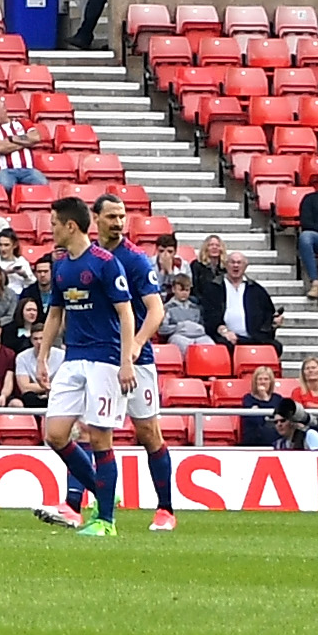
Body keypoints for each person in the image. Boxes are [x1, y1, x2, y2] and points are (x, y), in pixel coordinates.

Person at [38, 193, 129, 537]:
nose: (51, 231)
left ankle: (105, 521)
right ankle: (103, 491)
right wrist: (45, 356)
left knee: (100, 437)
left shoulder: (105, 263)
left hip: (105, 359)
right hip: (74, 357)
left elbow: (125, 312)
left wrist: (125, 362)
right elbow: (55, 314)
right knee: (56, 434)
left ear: (70, 226)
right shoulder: (62, 266)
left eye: (54, 225)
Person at [96, 196, 179, 530]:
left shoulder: (135, 260)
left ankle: (165, 509)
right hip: (100, 357)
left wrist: (137, 344)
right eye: (112, 216)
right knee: (94, 430)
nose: (118, 222)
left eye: (122, 216)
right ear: (96, 218)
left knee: (147, 432)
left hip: (137, 359)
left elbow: (156, 310)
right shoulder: (88, 257)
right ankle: (87, 504)